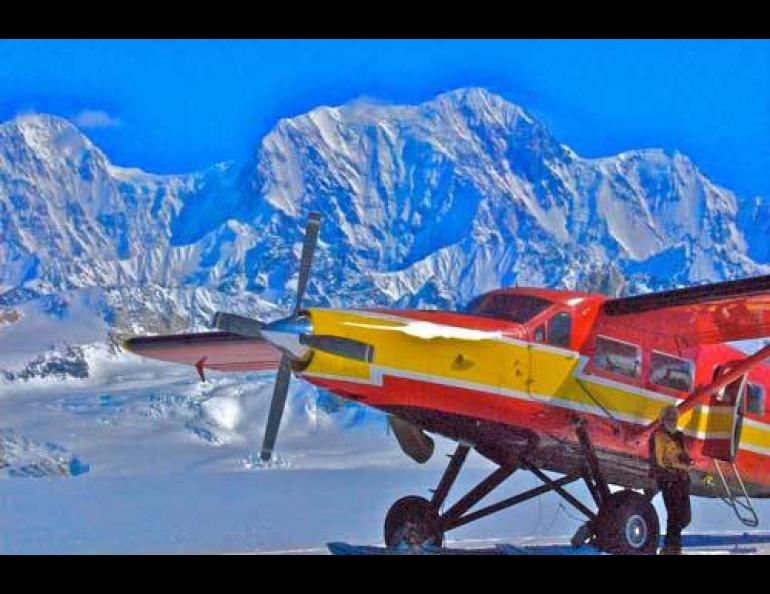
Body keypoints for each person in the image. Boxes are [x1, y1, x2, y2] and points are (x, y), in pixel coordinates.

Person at [651, 406, 693, 555]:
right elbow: (658, 459)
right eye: (670, 418)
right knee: (675, 517)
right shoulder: (658, 436)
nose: (673, 421)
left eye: (674, 418)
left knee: (685, 518)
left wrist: (686, 461)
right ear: (662, 420)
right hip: (670, 480)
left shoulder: (679, 436)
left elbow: (683, 456)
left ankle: (671, 548)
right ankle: (672, 549)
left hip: (683, 480)